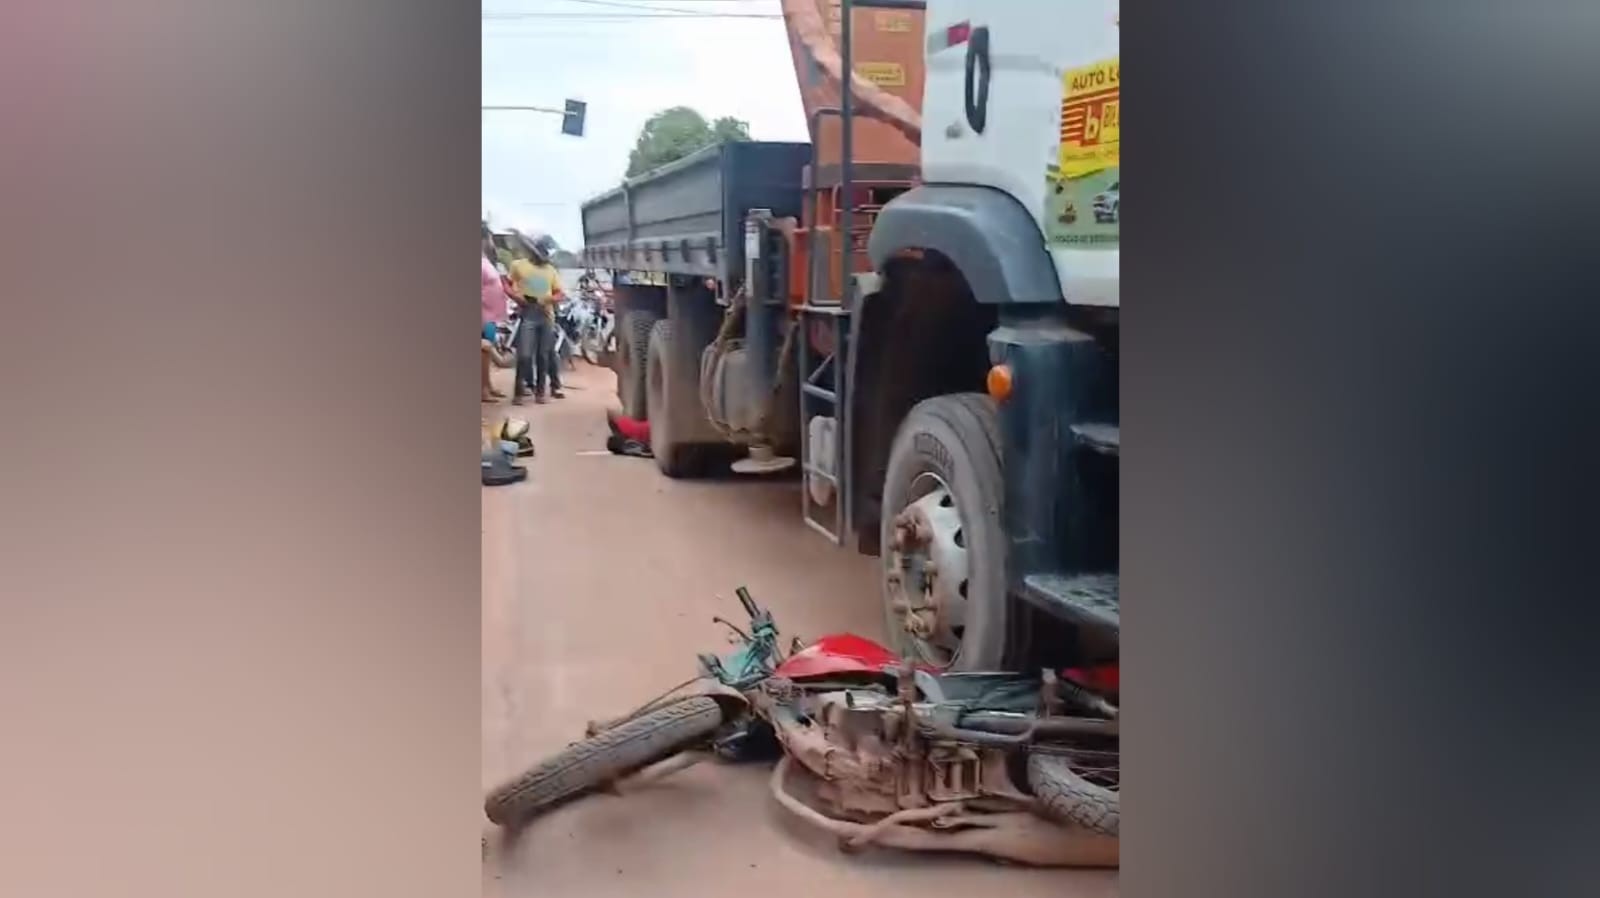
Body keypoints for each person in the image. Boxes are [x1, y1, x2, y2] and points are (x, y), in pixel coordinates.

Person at [507, 232, 566, 405]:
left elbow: (560, 293)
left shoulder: (551, 271)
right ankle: (519, 392)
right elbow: (506, 284)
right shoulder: (519, 266)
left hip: (546, 314)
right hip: (528, 312)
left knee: (543, 355)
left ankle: (540, 392)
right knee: (524, 355)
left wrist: (550, 299)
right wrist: (516, 297)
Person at [481, 227, 510, 403]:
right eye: (491, 239)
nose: (493, 243)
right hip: (483, 316)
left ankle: (488, 386)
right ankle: (482, 390)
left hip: (491, 316)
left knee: (486, 355)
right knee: (482, 354)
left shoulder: (486, 261)